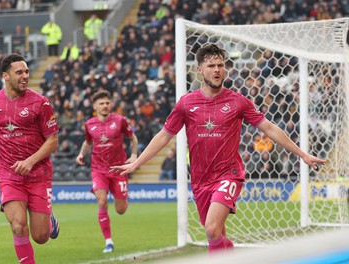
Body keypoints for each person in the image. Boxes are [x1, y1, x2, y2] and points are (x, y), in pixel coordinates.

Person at [110, 44, 326, 253]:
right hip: (200, 180)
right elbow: (164, 135)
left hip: (228, 175)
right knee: (218, 234)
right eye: (212, 66)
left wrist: (303, 154)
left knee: (211, 229)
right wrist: (137, 162)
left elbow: (268, 128)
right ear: (200, 70)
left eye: (221, 65)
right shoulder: (186, 103)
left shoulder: (237, 101)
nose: (217, 70)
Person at [0, 53, 60, 264]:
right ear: (6, 76)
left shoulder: (40, 103)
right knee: (18, 225)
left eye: (26, 71)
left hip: (38, 173)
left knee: (41, 237)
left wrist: (30, 161)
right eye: (19, 72)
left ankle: (49, 220)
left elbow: (52, 140)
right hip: (8, 173)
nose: (25, 76)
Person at [75, 90, 138, 253]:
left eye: (107, 103)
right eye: (101, 103)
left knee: (120, 210)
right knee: (102, 201)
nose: (104, 106)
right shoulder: (89, 124)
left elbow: (132, 138)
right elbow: (88, 143)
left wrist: (134, 155)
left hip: (118, 169)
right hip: (98, 169)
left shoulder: (120, 121)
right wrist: (82, 154)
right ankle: (108, 241)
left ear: (111, 104)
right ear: (95, 106)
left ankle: (123, 199)